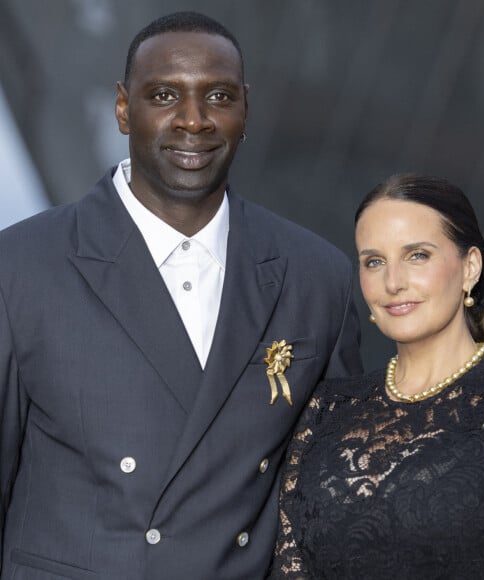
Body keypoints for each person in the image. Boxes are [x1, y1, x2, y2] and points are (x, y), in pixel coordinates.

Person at [0, 12, 363, 580]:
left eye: (217, 96)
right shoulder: (20, 266)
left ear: (245, 109)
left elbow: (329, 508)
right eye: (165, 95)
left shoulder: (316, 276)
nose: (193, 121)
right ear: (124, 108)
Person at [269, 174, 484, 579]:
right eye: (374, 261)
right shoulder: (326, 412)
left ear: (470, 267)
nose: (393, 283)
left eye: (417, 255)